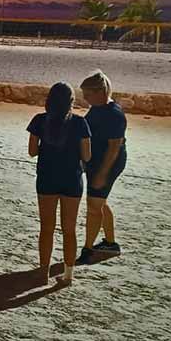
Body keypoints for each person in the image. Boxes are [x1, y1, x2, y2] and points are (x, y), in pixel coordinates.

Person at [27, 82, 92, 285]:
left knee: (46, 227)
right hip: (71, 179)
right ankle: (68, 274)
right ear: (70, 102)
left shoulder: (39, 121)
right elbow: (87, 156)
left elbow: (32, 151)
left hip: (47, 177)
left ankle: (43, 271)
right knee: (69, 228)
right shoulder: (80, 123)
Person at [78, 71, 127, 265]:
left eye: (88, 95)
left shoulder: (115, 115)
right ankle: (110, 243)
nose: (85, 99)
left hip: (108, 162)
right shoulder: (97, 108)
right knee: (99, 202)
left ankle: (88, 248)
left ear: (100, 92)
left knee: (93, 206)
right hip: (96, 160)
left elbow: (114, 148)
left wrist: (102, 173)